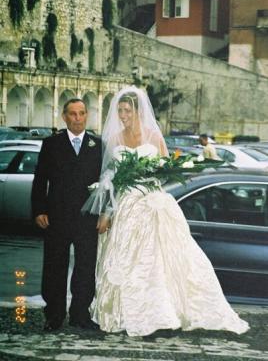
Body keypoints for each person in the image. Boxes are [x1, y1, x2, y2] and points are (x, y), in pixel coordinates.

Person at [83, 85, 249, 337]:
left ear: (138, 111)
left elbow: (167, 170)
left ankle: (163, 314)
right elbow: (110, 179)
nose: (123, 115)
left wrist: (152, 186)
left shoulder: (154, 136)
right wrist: (106, 212)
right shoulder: (114, 139)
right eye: (120, 111)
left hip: (152, 203)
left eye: (127, 110)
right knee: (128, 261)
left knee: (158, 261)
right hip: (126, 205)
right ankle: (127, 314)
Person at [31, 98, 102, 331]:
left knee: (85, 267)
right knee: (54, 267)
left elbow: (106, 183)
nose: (78, 118)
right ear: (64, 117)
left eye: (82, 113)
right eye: (72, 114)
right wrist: (39, 209)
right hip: (57, 216)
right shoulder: (52, 144)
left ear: (86, 116)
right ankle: (54, 315)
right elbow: (41, 179)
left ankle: (80, 314)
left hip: (87, 219)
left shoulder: (97, 145)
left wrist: (103, 214)